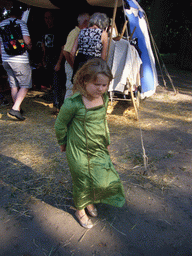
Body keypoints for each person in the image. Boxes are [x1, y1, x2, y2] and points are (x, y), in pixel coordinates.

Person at [55, 58, 125, 229]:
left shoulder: (104, 99)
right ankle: (80, 210)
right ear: (84, 80)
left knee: (101, 178)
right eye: (96, 84)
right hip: (78, 149)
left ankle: (89, 201)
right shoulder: (73, 103)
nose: (100, 89)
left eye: (104, 85)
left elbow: (103, 122)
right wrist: (62, 142)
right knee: (82, 180)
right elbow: (60, 124)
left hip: (98, 147)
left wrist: (106, 141)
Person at [0, 3, 32, 121]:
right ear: (19, 14)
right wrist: (29, 46)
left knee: (14, 85)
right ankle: (15, 108)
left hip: (6, 59)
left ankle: (17, 108)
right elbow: (27, 41)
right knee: (25, 84)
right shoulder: (21, 23)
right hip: (20, 59)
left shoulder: (1, 24)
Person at [71, 12, 109, 77]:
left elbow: (72, 52)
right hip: (94, 65)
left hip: (80, 64)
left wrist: (75, 65)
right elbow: (103, 57)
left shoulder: (81, 31)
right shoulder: (103, 34)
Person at [61, 13, 90, 99]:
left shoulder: (80, 33)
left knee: (76, 89)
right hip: (72, 64)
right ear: (85, 22)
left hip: (75, 64)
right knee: (71, 88)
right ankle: (66, 110)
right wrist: (74, 66)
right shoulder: (74, 33)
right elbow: (66, 52)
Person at [41, 11, 65, 112]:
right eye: (46, 18)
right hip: (48, 60)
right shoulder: (44, 30)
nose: (47, 20)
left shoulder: (58, 30)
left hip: (56, 60)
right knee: (51, 84)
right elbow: (44, 47)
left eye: (49, 18)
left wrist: (59, 62)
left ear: (53, 18)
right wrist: (43, 59)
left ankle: (57, 105)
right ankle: (56, 103)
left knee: (57, 84)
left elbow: (63, 48)